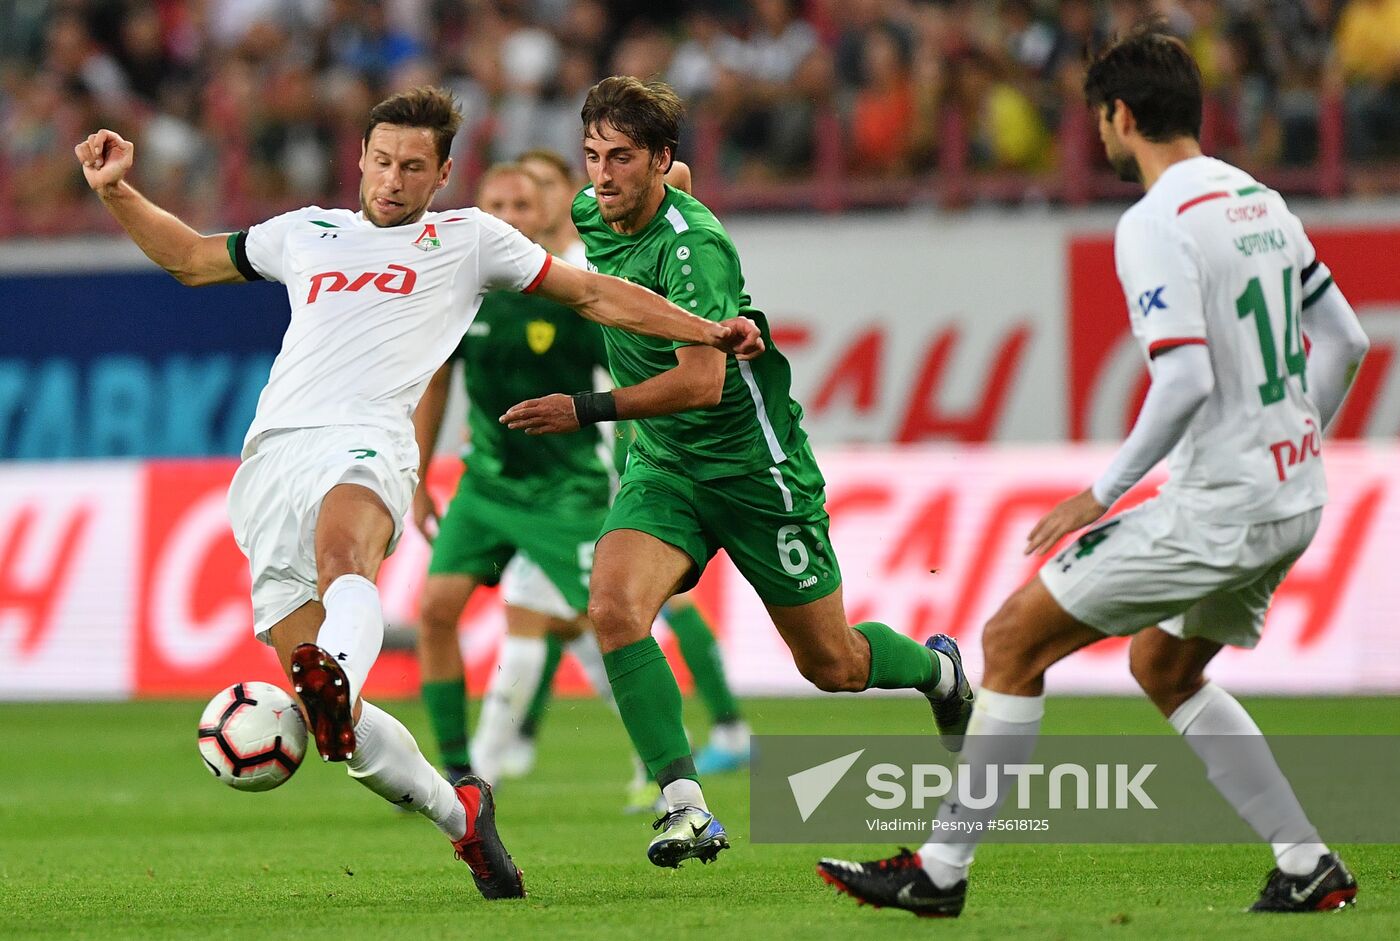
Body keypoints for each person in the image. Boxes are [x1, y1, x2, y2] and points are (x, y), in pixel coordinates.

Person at [75, 84, 763, 902]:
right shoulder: (306, 233)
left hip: (368, 444)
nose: (392, 180)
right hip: (268, 466)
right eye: (380, 162)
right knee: (344, 728)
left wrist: (703, 329)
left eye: (412, 167)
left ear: (441, 176)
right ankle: (459, 813)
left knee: (345, 559)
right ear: (359, 162)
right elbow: (190, 257)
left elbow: (591, 294)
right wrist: (117, 190)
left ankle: (336, 673)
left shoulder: (469, 238)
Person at [817, 27, 1369, 917]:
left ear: (1118, 115)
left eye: (1099, 122)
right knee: (1166, 666)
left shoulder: (1156, 222)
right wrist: (1299, 439)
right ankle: (1308, 863)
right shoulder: (1261, 200)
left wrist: (1101, 492)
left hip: (1219, 504)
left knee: (1008, 641)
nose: (1100, 139)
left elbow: (1185, 377)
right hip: (1292, 494)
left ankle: (940, 872)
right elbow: (1347, 339)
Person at [501, 76, 976, 869]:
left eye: (622, 158)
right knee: (614, 608)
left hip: (756, 470)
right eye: (592, 156)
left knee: (834, 664)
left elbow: (702, 382)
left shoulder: (696, 247)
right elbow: (672, 187)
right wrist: (665, 184)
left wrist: (580, 408)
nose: (602, 175)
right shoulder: (596, 210)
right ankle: (684, 805)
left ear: (657, 158)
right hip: (667, 466)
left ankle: (939, 671)